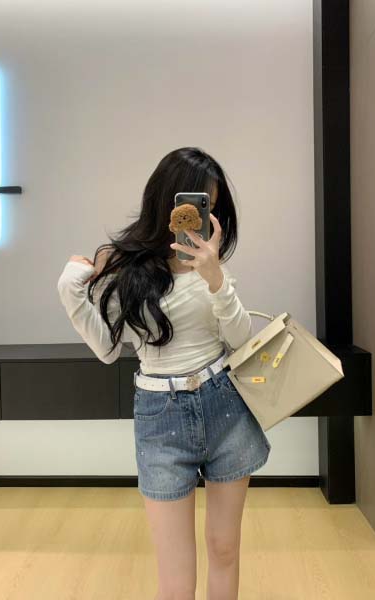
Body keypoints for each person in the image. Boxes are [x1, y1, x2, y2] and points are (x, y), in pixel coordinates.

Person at [57, 146, 271, 600]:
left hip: (225, 406)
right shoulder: (125, 268)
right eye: (194, 205)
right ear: (166, 203)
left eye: (210, 208)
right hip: (161, 416)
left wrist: (216, 279)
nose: (200, 218)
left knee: (225, 549)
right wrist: (69, 292)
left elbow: (239, 339)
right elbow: (108, 350)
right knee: (175, 578)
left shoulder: (212, 267)